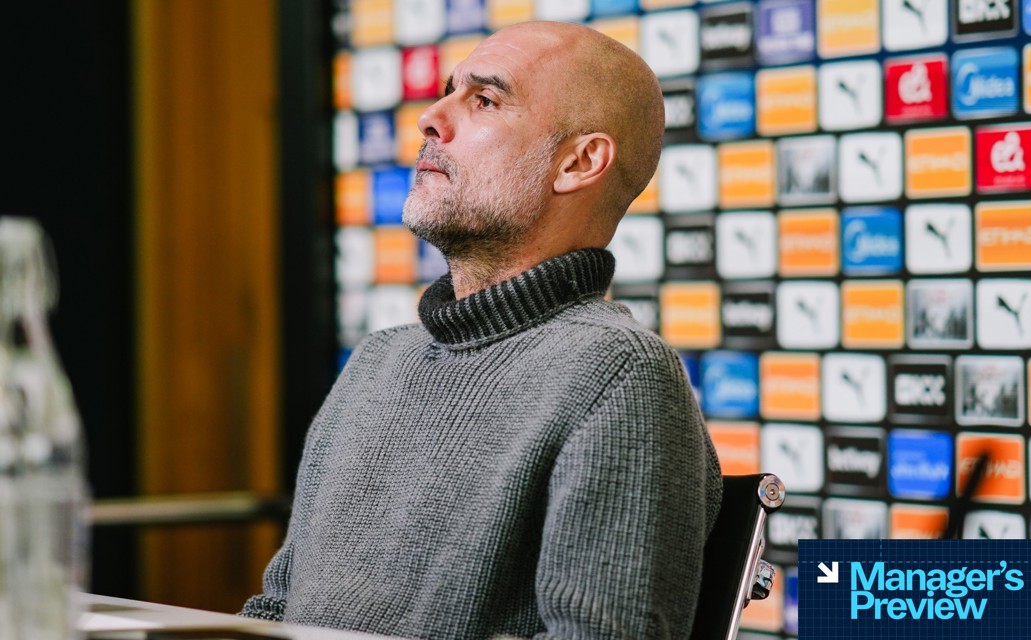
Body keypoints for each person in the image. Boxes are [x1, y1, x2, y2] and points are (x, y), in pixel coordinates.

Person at [239, 21, 723, 640]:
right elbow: (275, 613)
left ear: (578, 163)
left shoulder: (615, 372)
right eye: (447, 91)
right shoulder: (377, 361)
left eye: (485, 100)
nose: (431, 119)